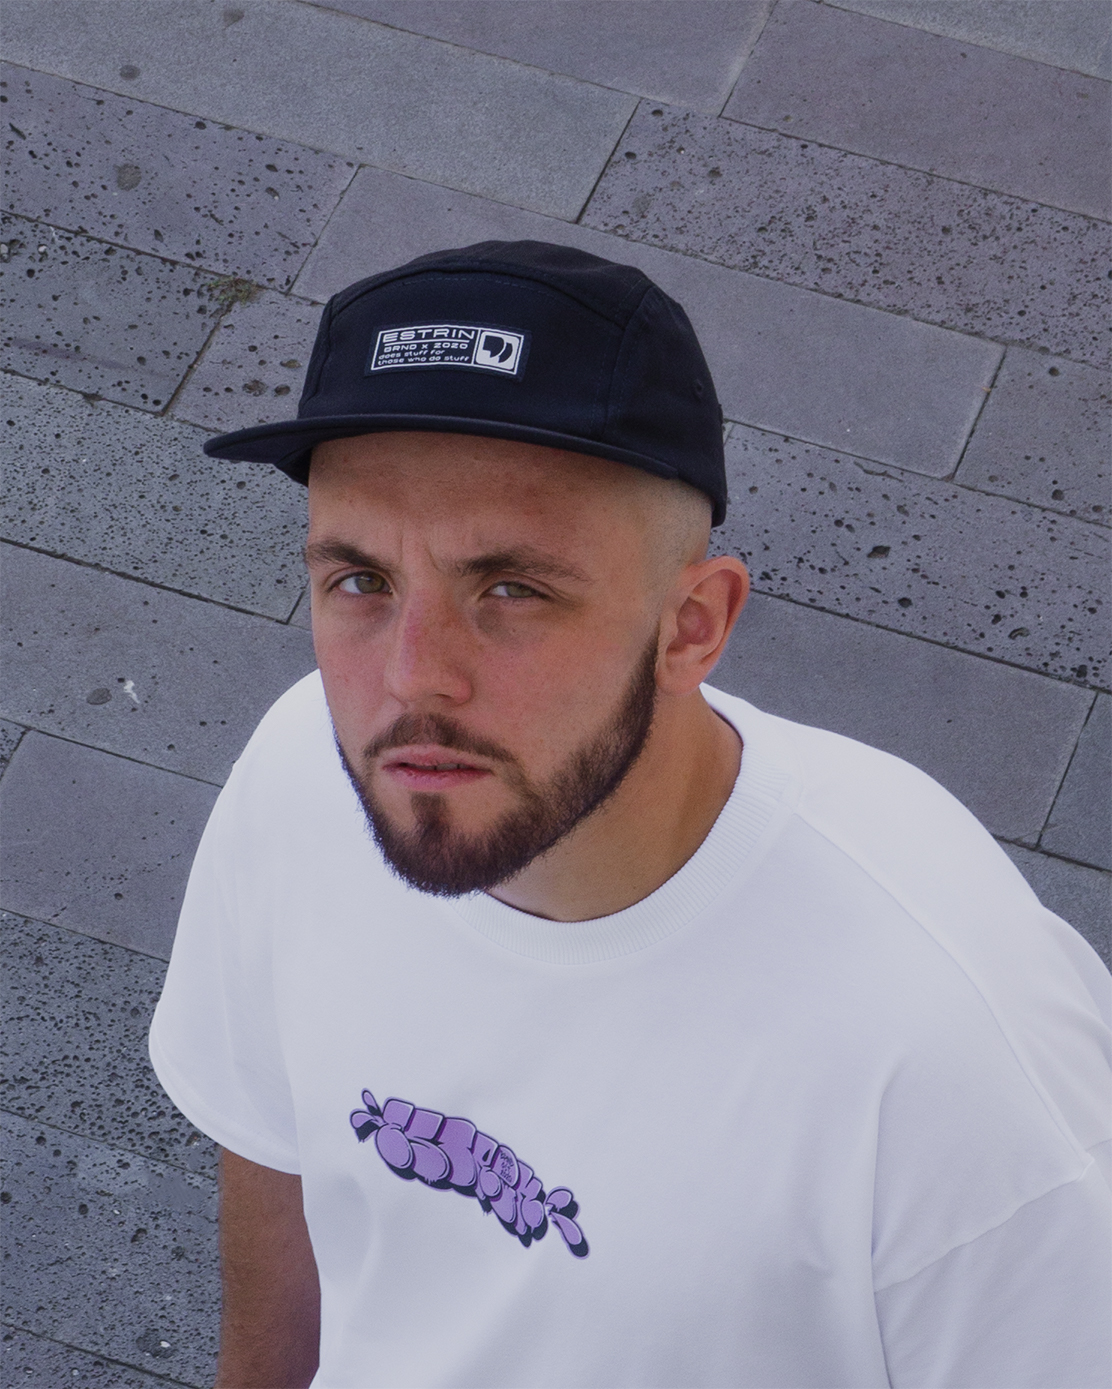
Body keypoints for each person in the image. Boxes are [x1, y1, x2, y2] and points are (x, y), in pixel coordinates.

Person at [150, 241, 1110, 1389]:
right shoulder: (303, 775)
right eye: (361, 582)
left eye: (511, 590)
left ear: (692, 627)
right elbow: (273, 1151)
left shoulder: (948, 1059)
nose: (410, 682)